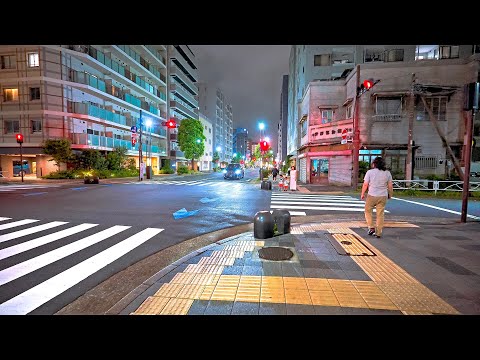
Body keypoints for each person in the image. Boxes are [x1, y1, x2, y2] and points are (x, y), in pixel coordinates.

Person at [360, 156, 393, 238]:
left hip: (372, 195)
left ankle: (371, 227)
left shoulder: (370, 172)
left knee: (368, 211)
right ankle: (378, 232)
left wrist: (362, 193)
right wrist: (390, 194)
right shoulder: (387, 173)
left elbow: (365, 184)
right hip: (383, 196)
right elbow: (390, 186)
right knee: (380, 214)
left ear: (374, 164)